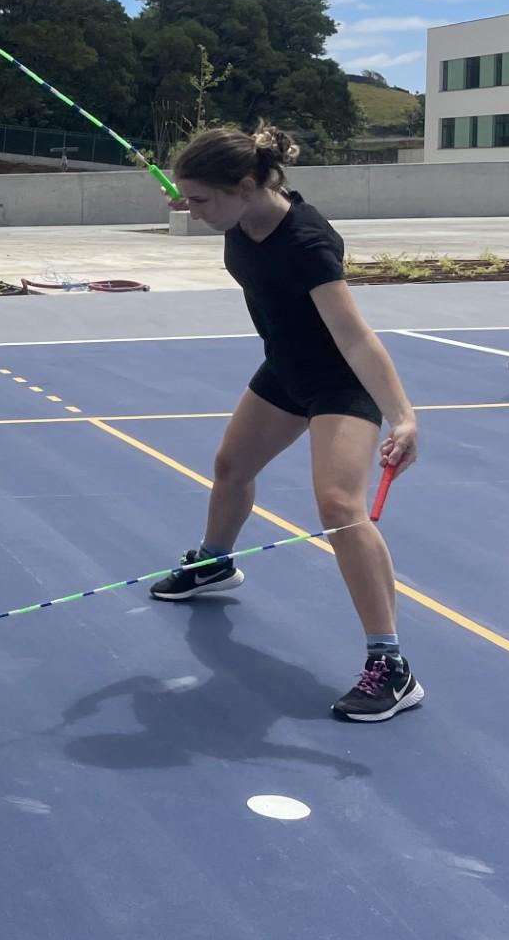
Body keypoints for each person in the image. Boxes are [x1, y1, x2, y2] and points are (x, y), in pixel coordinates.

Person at [148, 124, 423, 722]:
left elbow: (353, 336)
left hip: (336, 382)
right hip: (285, 367)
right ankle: (215, 562)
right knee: (231, 466)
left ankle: (391, 666)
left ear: (246, 186)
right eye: (186, 197)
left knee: (339, 507)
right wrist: (197, 194)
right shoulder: (238, 215)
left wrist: (402, 416)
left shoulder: (306, 242)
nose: (190, 211)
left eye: (200, 200)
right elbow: (217, 202)